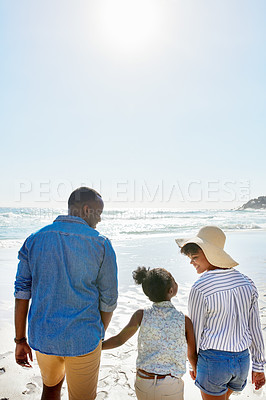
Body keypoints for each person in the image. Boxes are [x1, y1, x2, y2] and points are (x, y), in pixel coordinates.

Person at [14, 187, 118, 400]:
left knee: (50, 389)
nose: (99, 220)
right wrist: (99, 333)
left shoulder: (34, 239)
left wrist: (20, 339)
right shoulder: (101, 244)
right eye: (99, 213)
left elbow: (22, 292)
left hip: (44, 337)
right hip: (84, 339)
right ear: (87, 210)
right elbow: (109, 299)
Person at [176, 225, 266, 400]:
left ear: (211, 255)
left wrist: (193, 365)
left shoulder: (200, 287)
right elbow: (255, 328)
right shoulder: (247, 283)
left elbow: (195, 333)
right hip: (242, 362)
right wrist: (259, 366)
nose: (191, 262)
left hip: (214, 362)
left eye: (195, 257)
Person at [102, 266, 197, 400]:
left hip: (143, 381)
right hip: (170, 384)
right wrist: (195, 369)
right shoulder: (184, 320)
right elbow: (191, 354)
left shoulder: (141, 315)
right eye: (174, 281)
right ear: (171, 291)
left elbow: (119, 340)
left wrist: (98, 346)